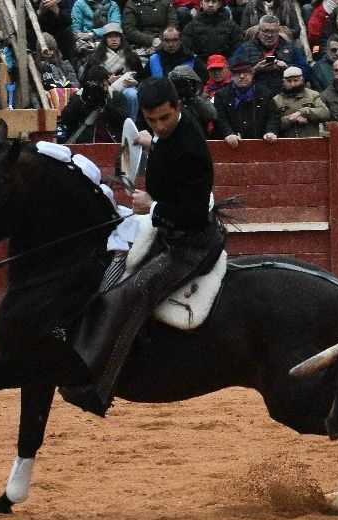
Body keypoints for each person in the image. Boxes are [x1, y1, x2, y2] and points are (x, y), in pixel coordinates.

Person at [63, 76, 226, 416]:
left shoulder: (192, 146)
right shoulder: (167, 132)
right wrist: (150, 140)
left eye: (164, 118)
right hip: (168, 232)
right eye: (151, 120)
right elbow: (168, 145)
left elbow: (192, 213)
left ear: (178, 107)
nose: (159, 125)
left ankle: (100, 383)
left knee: (134, 292)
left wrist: (151, 206)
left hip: (191, 242)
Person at [232, 14, 311, 95]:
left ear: (278, 31)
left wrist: (287, 67)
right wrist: (254, 70)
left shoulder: (290, 48)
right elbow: (233, 73)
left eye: (273, 31)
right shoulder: (245, 48)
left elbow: (308, 73)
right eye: (265, 31)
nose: (269, 35)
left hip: (285, 95)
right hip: (254, 95)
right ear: (259, 30)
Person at [84, 22, 146, 119]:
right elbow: (86, 80)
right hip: (103, 90)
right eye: (110, 37)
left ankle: (129, 126)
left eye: (117, 36)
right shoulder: (95, 58)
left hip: (127, 89)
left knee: (132, 94)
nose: (114, 39)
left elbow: (144, 78)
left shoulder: (132, 56)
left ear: (121, 38)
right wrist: (106, 82)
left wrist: (136, 83)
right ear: (105, 39)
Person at [213, 60, 279, 146]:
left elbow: (273, 116)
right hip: (232, 145)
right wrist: (228, 133)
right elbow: (220, 118)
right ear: (232, 76)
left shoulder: (264, 93)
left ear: (252, 75)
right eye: (237, 74)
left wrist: (270, 131)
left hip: (261, 144)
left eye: (246, 73)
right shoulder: (221, 95)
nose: (241, 76)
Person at [60, 64, 129, 141]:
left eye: (100, 83)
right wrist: (82, 100)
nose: (98, 87)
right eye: (95, 84)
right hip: (85, 143)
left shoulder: (117, 97)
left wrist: (105, 105)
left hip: (111, 141)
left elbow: (125, 121)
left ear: (107, 81)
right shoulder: (79, 96)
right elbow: (65, 120)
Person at [274, 65, 331, 137]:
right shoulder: (277, 100)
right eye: (289, 81)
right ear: (283, 82)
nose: (293, 84)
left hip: (311, 142)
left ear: (302, 80)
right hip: (287, 144)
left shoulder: (313, 95)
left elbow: (325, 113)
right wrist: (290, 119)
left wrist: (303, 112)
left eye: (296, 80)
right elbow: (273, 124)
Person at [168, 63, 217, 135]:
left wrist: (193, 97)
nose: (181, 86)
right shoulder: (170, 98)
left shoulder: (200, 96)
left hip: (199, 136)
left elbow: (213, 115)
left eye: (184, 82)